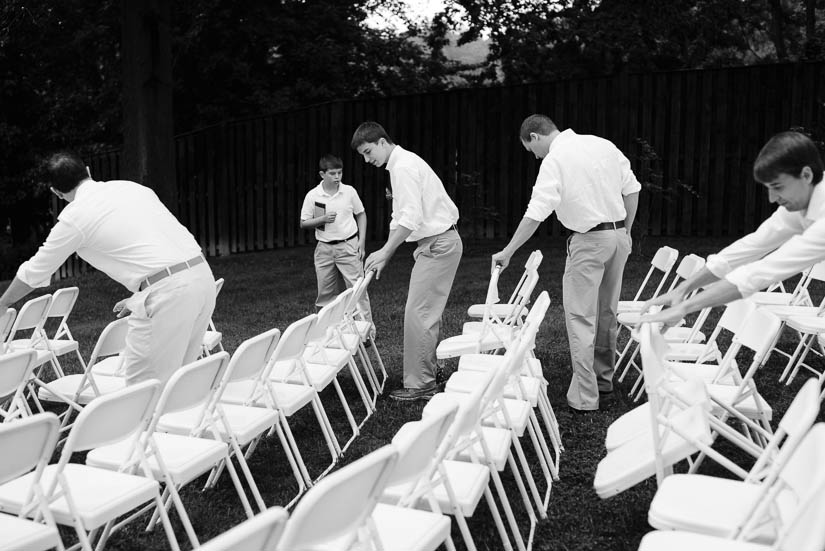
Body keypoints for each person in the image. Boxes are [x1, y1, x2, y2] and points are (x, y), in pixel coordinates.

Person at [0, 151, 216, 386]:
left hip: (170, 294)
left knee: (142, 392)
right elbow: (154, 242)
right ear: (88, 172)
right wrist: (145, 291)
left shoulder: (75, 218)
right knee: (178, 382)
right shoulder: (133, 189)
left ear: (56, 192)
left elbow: (36, 271)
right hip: (202, 278)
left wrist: (3, 303)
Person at [491, 114, 640, 411]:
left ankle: (585, 398)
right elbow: (632, 189)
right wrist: (627, 231)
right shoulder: (603, 145)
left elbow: (536, 212)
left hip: (588, 242)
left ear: (535, 136)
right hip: (617, 236)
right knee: (607, 313)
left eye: (530, 150)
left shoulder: (555, 159)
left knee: (581, 318)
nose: (534, 157)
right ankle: (603, 382)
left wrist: (508, 250)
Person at [642, 131, 825, 324]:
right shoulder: (801, 201)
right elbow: (750, 247)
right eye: (768, 188)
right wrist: (682, 290)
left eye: (778, 187)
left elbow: (764, 271)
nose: (772, 198)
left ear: (806, 175)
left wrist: (685, 307)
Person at [351, 121, 463, 401]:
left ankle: (422, 385)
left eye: (367, 152)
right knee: (421, 314)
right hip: (436, 243)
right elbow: (399, 217)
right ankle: (427, 374)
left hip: (439, 245)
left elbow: (410, 218)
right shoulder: (400, 164)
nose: (367, 160)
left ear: (381, 142)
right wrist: (384, 252)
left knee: (419, 315)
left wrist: (386, 251)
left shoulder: (402, 167)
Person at [300, 154, 372, 326]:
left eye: (339, 173)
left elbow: (361, 214)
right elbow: (304, 223)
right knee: (325, 293)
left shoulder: (349, 192)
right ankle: (327, 330)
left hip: (348, 245)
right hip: (324, 248)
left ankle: (366, 332)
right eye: (332, 173)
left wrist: (361, 241)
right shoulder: (313, 195)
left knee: (357, 290)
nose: (337, 177)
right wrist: (322, 219)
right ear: (322, 174)